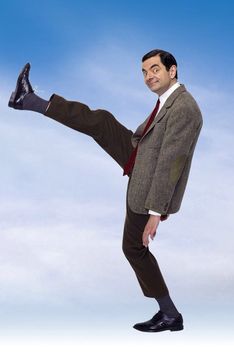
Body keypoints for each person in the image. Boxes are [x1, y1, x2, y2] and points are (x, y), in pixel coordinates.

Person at [8, 49, 203, 333]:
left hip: (148, 183)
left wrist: (155, 212)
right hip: (140, 156)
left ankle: (170, 315)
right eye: (145, 72)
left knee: (133, 248)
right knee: (102, 121)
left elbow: (172, 164)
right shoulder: (169, 101)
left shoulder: (185, 108)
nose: (149, 76)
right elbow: (154, 141)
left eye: (155, 69)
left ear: (172, 71)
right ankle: (28, 100)